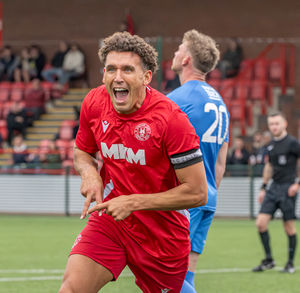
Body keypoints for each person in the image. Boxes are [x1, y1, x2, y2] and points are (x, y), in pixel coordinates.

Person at [59, 31, 208, 293]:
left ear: (146, 76)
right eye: (111, 69)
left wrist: (133, 202)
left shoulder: (172, 120)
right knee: (72, 289)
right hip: (112, 221)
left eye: (128, 69)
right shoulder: (94, 102)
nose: (118, 77)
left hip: (162, 235)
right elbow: (82, 152)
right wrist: (90, 174)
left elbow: (197, 193)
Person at [167, 29, 229, 293]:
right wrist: (207, 192)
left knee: (169, 280)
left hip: (184, 198)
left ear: (186, 60)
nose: (175, 51)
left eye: (180, 48)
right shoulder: (219, 102)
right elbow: (220, 163)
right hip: (208, 196)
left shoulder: (178, 100)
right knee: (187, 277)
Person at [253, 112, 300, 274]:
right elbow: (269, 167)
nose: (274, 126)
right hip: (273, 188)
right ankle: (269, 260)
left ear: (284, 123)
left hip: (288, 188)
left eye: (277, 123)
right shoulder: (270, 145)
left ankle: (290, 264)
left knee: (289, 227)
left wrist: (297, 183)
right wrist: (264, 187)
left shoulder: (293, 143)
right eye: (271, 124)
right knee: (260, 223)